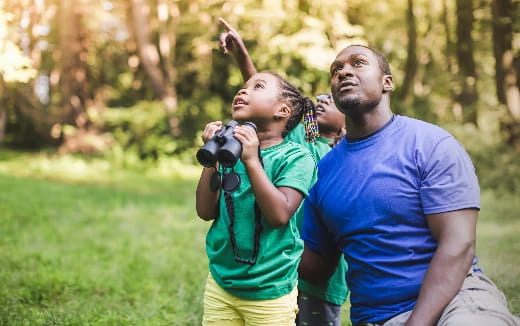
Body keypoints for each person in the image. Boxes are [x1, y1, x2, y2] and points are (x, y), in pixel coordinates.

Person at [298, 44, 520, 326]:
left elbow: (458, 244)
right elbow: (317, 268)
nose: (344, 72)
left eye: (358, 63)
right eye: (336, 70)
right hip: (376, 318)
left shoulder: (429, 144)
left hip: (457, 301)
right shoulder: (324, 172)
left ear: (386, 82)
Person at [217, 18, 349, 326]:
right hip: (282, 262)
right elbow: (270, 104)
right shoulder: (302, 138)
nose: (323, 101)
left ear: (349, 118)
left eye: (332, 101)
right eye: (319, 99)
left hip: (322, 275)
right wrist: (242, 57)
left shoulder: (345, 153)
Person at [196, 70, 319, 326]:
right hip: (222, 282)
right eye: (243, 86)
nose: (243, 91)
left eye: (258, 86)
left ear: (282, 111)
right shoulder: (229, 151)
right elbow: (205, 211)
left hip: (269, 290)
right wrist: (212, 160)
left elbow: (279, 215)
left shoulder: (296, 158)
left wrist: (251, 160)